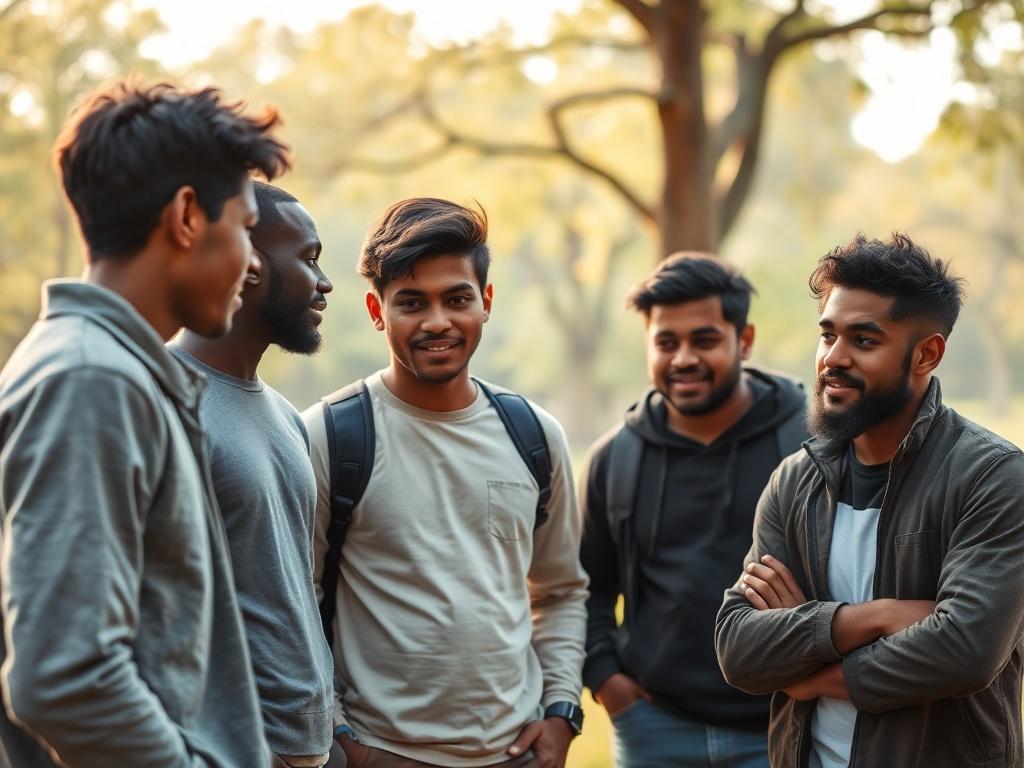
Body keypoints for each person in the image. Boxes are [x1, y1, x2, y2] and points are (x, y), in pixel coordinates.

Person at [0, 82, 290, 767]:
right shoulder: (91, 381)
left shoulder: (108, 370)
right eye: (246, 228)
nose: (254, 263)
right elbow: (64, 677)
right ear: (187, 215)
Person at [715, 233, 1024, 767]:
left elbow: (965, 652)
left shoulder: (993, 477)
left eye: (863, 340)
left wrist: (811, 675)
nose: (832, 359)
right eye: (827, 335)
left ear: (926, 354)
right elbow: (740, 649)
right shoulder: (795, 482)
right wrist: (876, 617)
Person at [301, 197, 588, 768]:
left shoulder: (534, 435)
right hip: (381, 753)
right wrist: (339, 740)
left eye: (456, 298)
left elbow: (559, 592)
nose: (437, 321)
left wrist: (560, 714)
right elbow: (294, 601)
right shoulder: (329, 436)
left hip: (515, 753)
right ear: (376, 311)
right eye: (411, 302)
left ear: (485, 302)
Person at [578, 253, 806, 768]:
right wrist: (608, 682)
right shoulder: (615, 458)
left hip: (784, 723)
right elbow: (583, 589)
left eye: (704, 340)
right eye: (666, 342)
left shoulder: (811, 446)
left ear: (743, 341)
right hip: (654, 730)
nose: (683, 358)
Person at [170, 182, 339, 768]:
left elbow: (288, 583)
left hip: (308, 746)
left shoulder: (287, 418)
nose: (325, 283)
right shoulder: (164, 401)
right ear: (250, 264)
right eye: (310, 258)